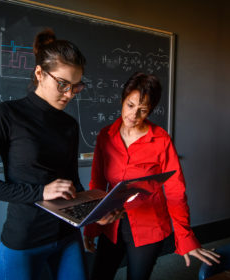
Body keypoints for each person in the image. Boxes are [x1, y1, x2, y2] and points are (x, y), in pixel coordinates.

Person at [0, 29, 88, 280]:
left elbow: (73, 184)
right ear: (39, 73)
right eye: (63, 84)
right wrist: (40, 192)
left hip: (68, 236)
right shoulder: (7, 114)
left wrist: (95, 210)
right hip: (24, 239)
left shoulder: (69, 125)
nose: (69, 94)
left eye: (76, 87)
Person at [83, 72, 220, 280]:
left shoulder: (161, 140)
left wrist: (185, 237)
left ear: (151, 110)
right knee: (99, 275)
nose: (133, 115)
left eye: (143, 110)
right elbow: (97, 184)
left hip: (149, 225)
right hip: (111, 222)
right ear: (123, 99)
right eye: (130, 105)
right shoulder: (105, 136)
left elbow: (176, 192)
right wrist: (91, 227)